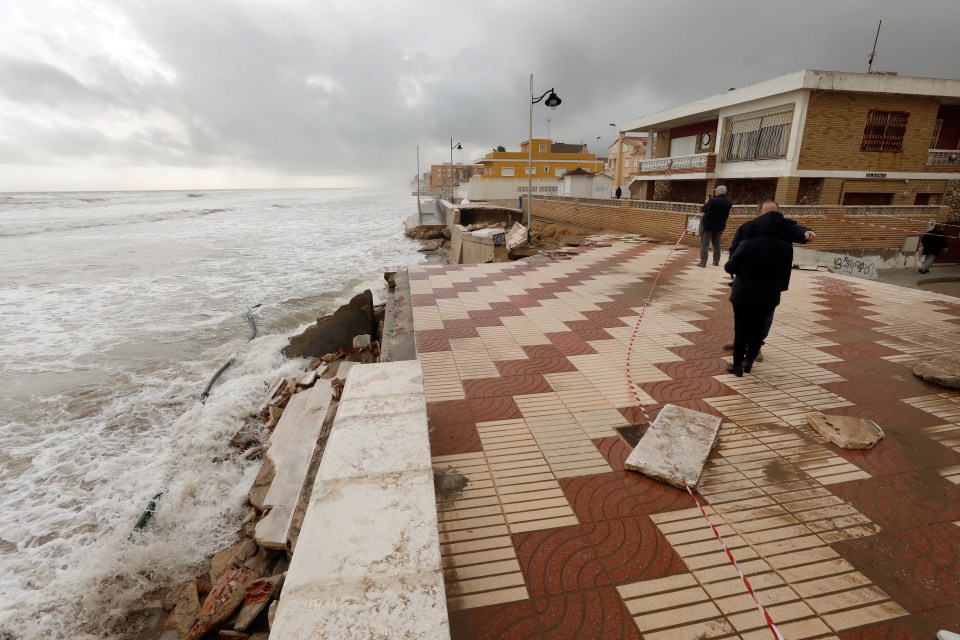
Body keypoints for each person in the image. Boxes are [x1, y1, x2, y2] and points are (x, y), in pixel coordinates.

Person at [722, 200, 816, 359]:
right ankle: (741, 341)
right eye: (767, 213)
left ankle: (756, 345)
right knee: (742, 315)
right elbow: (734, 250)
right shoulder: (746, 228)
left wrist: (805, 233)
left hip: (771, 284)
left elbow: (797, 229)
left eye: (776, 213)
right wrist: (737, 263)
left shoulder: (784, 227)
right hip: (747, 281)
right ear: (757, 214)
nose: (772, 217)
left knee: (764, 317)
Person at [723, 209, 794, 377]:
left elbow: (729, 267)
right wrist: (778, 290)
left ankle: (738, 365)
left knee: (741, 329)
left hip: (743, 295)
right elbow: (785, 275)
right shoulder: (785, 247)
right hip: (768, 296)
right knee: (757, 330)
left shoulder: (748, 244)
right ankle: (749, 362)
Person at [698, 185, 733, 267]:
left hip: (709, 225)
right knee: (716, 244)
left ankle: (703, 262)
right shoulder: (729, 202)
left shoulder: (713, 201)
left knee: (705, 244)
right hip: (720, 226)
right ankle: (716, 261)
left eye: (716, 191)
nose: (715, 192)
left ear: (718, 192)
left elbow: (703, 209)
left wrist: (707, 202)